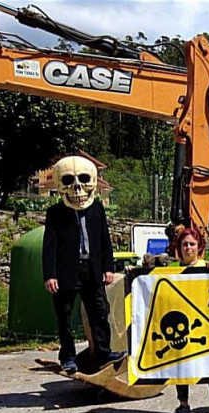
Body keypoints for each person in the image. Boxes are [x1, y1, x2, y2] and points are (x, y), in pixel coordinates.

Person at [42, 156, 125, 374]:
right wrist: (50, 275)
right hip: (66, 272)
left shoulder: (97, 208)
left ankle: (103, 352)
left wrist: (108, 267)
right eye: (69, 181)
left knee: (99, 312)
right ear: (61, 185)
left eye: (83, 180)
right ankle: (68, 358)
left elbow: (104, 240)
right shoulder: (55, 213)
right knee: (65, 317)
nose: (77, 188)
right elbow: (49, 245)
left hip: (92, 270)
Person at [164, 227, 209, 413]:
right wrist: (134, 274)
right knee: (180, 367)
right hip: (181, 324)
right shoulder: (172, 271)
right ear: (178, 247)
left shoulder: (207, 268)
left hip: (205, 327)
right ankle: (184, 406)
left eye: (192, 244)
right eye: (184, 244)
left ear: (199, 247)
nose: (188, 248)